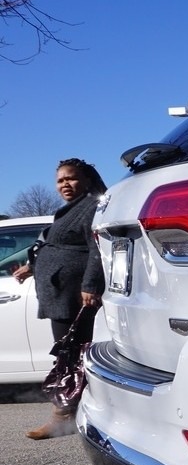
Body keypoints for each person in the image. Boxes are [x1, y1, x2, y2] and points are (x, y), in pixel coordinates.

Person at [14, 158, 106, 439]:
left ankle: (62, 416)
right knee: (70, 351)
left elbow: (96, 249)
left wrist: (90, 284)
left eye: (71, 178)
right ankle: (74, 412)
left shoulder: (91, 206)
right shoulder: (69, 210)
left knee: (70, 354)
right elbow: (55, 245)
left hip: (74, 295)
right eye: (60, 180)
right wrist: (32, 266)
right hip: (59, 295)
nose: (65, 184)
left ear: (87, 180)